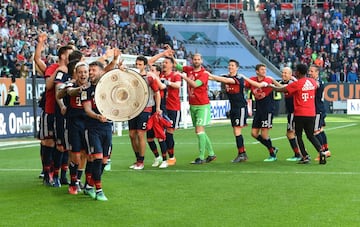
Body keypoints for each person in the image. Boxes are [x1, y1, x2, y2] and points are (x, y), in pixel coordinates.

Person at [269, 63, 326, 164]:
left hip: (300, 113)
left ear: (298, 73)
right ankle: (321, 152)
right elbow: (316, 86)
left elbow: (282, 89)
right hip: (311, 113)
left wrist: (271, 86)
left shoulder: (297, 84)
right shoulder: (312, 82)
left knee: (298, 135)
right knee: (310, 135)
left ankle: (305, 156)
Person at [175, 53, 216, 164]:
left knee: (199, 130)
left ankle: (201, 157)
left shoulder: (204, 74)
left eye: (198, 59)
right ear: (192, 60)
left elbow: (194, 84)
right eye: (194, 59)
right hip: (193, 105)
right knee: (200, 131)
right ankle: (211, 154)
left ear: (201, 61)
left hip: (202, 105)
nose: (196, 61)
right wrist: (171, 56)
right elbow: (177, 66)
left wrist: (184, 77)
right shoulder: (189, 70)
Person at [81, 61, 113, 201]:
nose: (91, 73)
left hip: (107, 128)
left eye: (93, 70)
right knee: (98, 158)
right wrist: (97, 116)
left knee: (104, 161)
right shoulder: (86, 90)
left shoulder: (109, 89)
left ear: (101, 72)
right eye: (90, 70)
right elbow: (87, 109)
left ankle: (89, 185)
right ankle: (99, 190)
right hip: (92, 128)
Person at [208, 59, 248, 163]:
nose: (230, 67)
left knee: (237, 130)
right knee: (235, 131)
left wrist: (210, 75)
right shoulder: (226, 77)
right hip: (233, 107)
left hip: (240, 107)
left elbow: (227, 81)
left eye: (232, 65)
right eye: (229, 65)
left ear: (237, 68)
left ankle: (242, 154)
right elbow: (219, 80)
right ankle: (242, 153)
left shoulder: (239, 78)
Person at [127, 56, 161, 170]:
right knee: (132, 135)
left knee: (140, 133)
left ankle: (141, 161)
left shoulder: (149, 78)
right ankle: (137, 159)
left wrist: (157, 107)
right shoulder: (132, 77)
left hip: (145, 108)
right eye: (136, 64)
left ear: (145, 65)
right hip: (133, 109)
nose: (138, 66)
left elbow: (157, 92)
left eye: (140, 64)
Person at [243, 63, 279, 162]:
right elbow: (244, 85)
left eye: (265, 69)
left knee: (264, 134)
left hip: (268, 110)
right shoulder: (252, 79)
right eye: (262, 70)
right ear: (257, 71)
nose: (264, 71)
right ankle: (273, 148)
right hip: (259, 110)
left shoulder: (267, 79)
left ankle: (272, 154)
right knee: (254, 133)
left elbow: (258, 85)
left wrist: (245, 78)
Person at [160, 56, 182, 167]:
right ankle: (164, 157)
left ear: (172, 65)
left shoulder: (175, 75)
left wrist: (167, 83)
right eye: (163, 62)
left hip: (173, 108)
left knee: (169, 133)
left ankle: (172, 157)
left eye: (166, 62)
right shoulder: (161, 75)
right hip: (163, 108)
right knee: (161, 134)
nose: (164, 64)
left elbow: (178, 85)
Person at [308, 65, 331, 161]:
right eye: (309, 71)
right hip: (319, 109)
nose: (310, 73)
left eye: (312, 71)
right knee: (320, 131)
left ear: (317, 73)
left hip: (317, 110)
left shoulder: (317, 82)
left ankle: (321, 152)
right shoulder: (316, 81)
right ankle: (326, 151)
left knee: (315, 131)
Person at [279, 67, 302, 161]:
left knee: (291, 133)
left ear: (290, 74)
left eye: (286, 73)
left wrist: (271, 83)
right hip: (292, 112)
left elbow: (283, 89)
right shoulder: (285, 82)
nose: (283, 74)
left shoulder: (292, 83)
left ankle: (299, 154)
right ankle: (299, 154)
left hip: (294, 112)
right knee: (293, 133)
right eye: (283, 72)